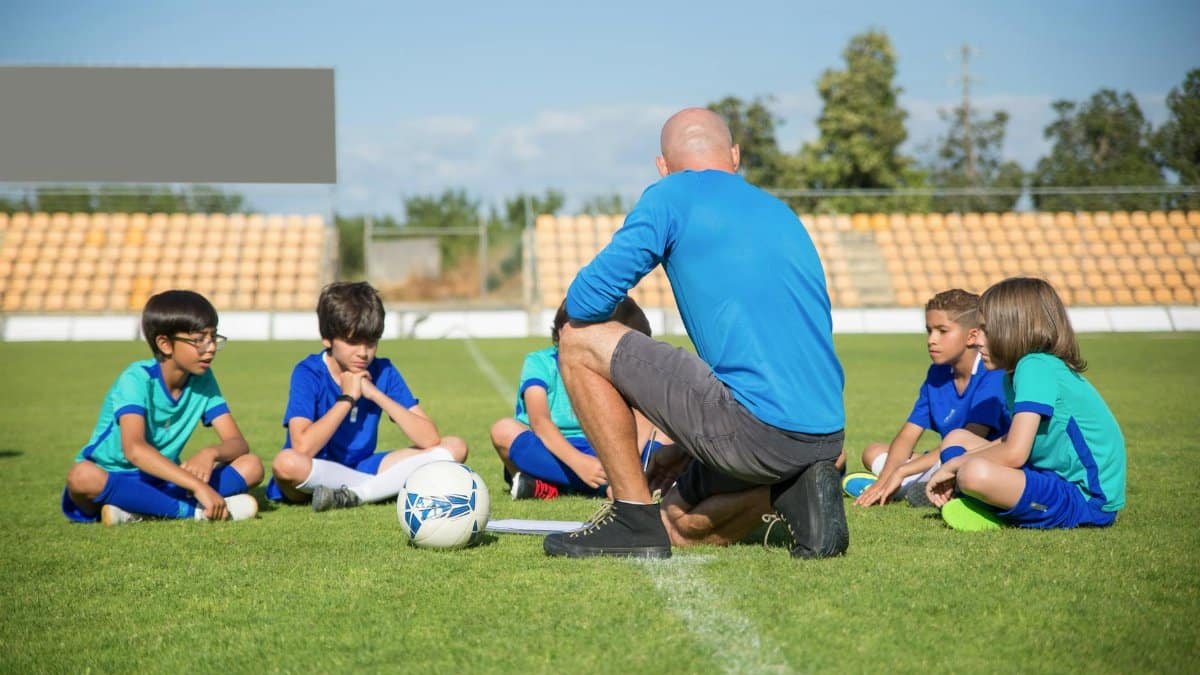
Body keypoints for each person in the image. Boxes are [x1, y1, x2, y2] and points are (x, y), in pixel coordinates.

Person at [542, 107, 847, 559]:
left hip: (755, 429)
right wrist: (683, 441)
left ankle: (630, 518)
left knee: (577, 340)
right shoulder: (779, 211)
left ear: (662, 167)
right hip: (823, 435)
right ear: (736, 157)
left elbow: (585, 303)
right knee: (679, 526)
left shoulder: (671, 195)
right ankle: (795, 490)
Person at [924, 277, 1126, 531]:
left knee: (972, 473)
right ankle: (971, 498)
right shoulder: (1016, 373)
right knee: (956, 438)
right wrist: (959, 461)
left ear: (1013, 329)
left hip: (1086, 499)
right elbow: (1012, 440)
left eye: (985, 330)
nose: (977, 341)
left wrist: (953, 466)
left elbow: (1014, 453)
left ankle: (980, 502)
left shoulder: (1035, 366)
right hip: (1049, 476)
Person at [62, 290, 263, 525]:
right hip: (114, 476)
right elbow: (135, 450)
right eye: (199, 340)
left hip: (163, 478)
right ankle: (194, 512)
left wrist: (210, 453)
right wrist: (198, 486)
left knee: (252, 466)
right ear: (165, 344)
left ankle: (137, 511)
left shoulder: (203, 379)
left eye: (213, 337)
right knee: (81, 477)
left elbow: (237, 443)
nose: (210, 348)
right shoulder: (136, 379)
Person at [267, 281, 468, 511]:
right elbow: (302, 448)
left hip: (362, 468)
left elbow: (430, 439)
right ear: (327, 338)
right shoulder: (307, 372)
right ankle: (375, 489)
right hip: (315, 469)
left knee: (454, 447)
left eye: (371, 342)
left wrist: (374, 393)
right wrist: (347, 398)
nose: (363, 353)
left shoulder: (383, 370)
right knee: (287, 463)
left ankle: (357, 494)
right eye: (352, 342)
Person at [490, 297, 666, 500]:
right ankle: (608, 485)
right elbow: (540, 422)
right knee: (503, 430)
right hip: (552, 452)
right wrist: (579, 463)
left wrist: (624, 467)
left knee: (666, 433)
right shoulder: (539, 362)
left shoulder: (613, 366)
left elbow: (642, 416)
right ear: (561, 332)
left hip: (606, 450)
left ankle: (548, 485)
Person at [850, 289, 1010, 507]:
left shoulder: (992, 373)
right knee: (873, 452)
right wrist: (886, 476)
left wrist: (903, 471)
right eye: (929, 330)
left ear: (972, 336)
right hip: (941, 459)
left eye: (942, 331)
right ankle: (907, 488)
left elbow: (969, 441)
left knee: (960, 464)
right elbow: (908, 435)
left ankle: (923, 487)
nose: (931, 340)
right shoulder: (937, 374)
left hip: (981, 460)